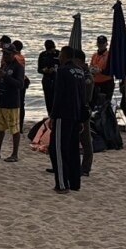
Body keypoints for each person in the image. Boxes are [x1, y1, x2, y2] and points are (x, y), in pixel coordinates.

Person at [48, 47, 85, 193]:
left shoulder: (62, 72)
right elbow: (83, 97)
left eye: (61, 56)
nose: (59, 58)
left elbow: (58, 95)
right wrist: (82, 117)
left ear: (65, 56)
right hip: (76, 115)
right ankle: (75, 182)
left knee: (57, 149)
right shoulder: (80, 72)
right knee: (73, 149)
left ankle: (62, 184)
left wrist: (53, 115)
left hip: (63, 115)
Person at [0, 41, 25, 162]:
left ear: (13, 54)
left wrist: (5, 76)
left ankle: (15, 154)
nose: (5, 56)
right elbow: (1, 82)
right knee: (0, 127)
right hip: (2, 99)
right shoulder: (4, 65)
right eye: (4, 54)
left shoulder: (18, 67)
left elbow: (20, 84)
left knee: (14, 129)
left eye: (7, 54)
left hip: (12, 102)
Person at [72, 48, 95, 176]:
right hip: (75, 109)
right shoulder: (79, 74)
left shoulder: (87, 76)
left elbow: (86, 96)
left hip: (83, 110)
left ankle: (86, 168)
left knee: (85, 140)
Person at [90, 35, 112, 106]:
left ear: (106, 44)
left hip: (106, 83)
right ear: (97, 44)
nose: (101, 45)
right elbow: (91, 66)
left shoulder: (110, 56)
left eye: (102, 43)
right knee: (93, 102)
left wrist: (101, 71)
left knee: (105, 104)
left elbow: (111, 70)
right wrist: (91, 70)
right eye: (99, 43)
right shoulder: (94, 55)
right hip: (95, 83)